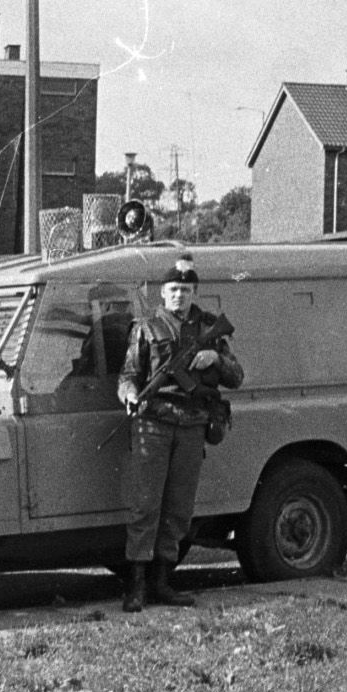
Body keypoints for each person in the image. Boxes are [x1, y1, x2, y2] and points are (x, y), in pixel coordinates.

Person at [116, 255, 241, 611]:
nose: (179, 296)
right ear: (162, 293)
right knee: (145, 506)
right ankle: (137, 585)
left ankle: (162, 582)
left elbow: (237, 376)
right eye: (173, 290)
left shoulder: (209, 329)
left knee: (178, 510)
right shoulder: (147, 328)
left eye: (186, 290)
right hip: (153, 424)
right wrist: (128, 397)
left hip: (191, 427)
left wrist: (214, 360)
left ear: (194, 292)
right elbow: (127, 375)